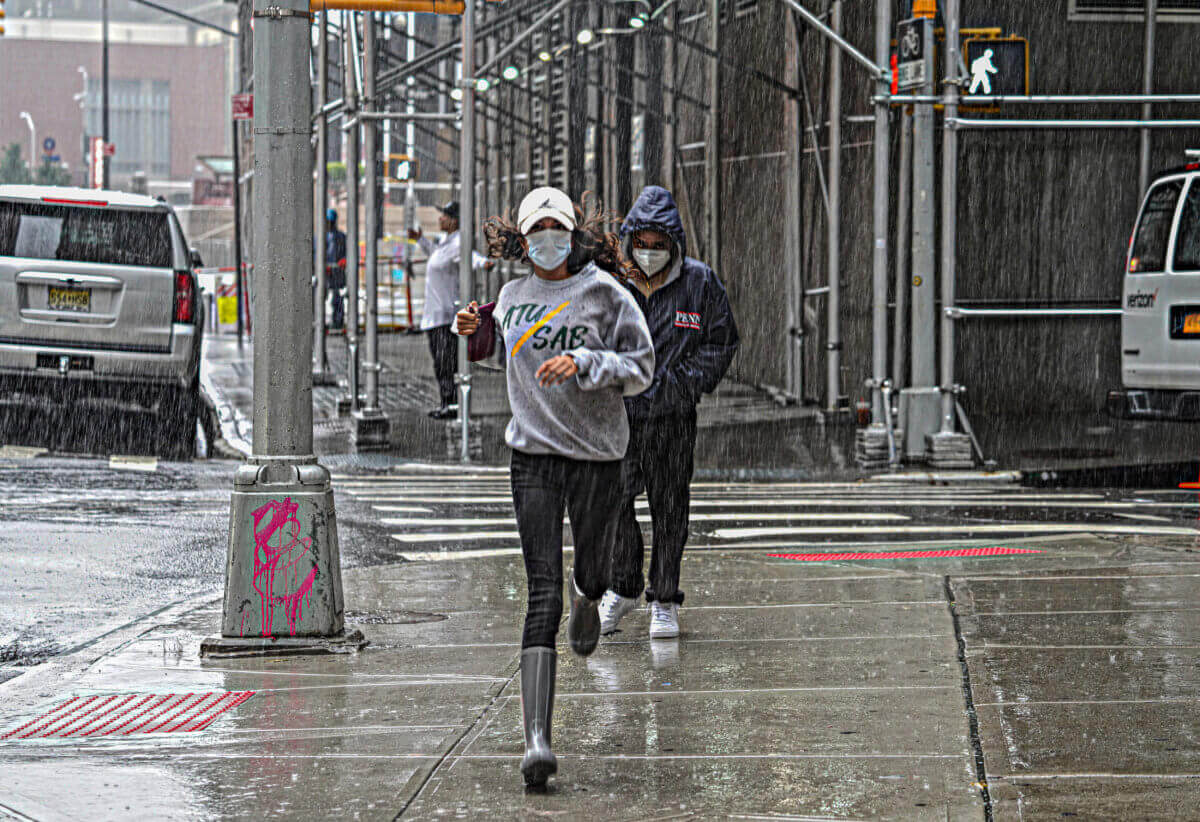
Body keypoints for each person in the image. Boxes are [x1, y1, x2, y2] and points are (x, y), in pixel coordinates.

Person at [454, 186, 654, 788]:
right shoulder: (512, 296)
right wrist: (475, 332)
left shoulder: (604, 293)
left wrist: (589, 364)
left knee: (589, 569)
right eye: (535, 228)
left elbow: (642, 367)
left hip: (597, 457)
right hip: (533, 457)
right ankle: (536, 739)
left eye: (554, 226)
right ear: (522, 237)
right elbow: (500, 355)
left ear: (570, 233)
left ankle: (589, 594)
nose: (546, 237)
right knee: (539, 590)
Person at [598, 185, 740, 640]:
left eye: (660, 247)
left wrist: (682, 384)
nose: (650, 254)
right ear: (631, 240)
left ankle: (664, 598)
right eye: (643, 244)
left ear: (674, 245)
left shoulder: (699, 283)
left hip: (673, 418)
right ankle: (623, 586)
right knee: (613, 501)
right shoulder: (612, 284)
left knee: (670, 507)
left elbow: (721, 343)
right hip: (619, 415)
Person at [410, 201, 494, 419]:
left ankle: (451, 405)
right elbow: (436, 255)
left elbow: (470, 257)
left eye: (444, 216)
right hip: (434, 315)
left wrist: (484, 263)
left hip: (445, 315)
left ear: (454, 220)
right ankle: (447, 403)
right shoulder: (445, 242)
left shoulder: (458, 243)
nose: (440, 219)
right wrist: (420, 239)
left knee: (445, 363)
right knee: (440, 363)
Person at [325, 209, 347, 331]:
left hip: (337, 271)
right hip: (325, 272)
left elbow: (347, 252)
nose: (330, 225)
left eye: (331, 222)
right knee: (318, 296)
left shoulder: (341, 237)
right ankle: (317, 320)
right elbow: (315, 253)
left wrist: (344, 260)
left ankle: (338, 320)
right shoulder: (320, 237)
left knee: (338, 297)